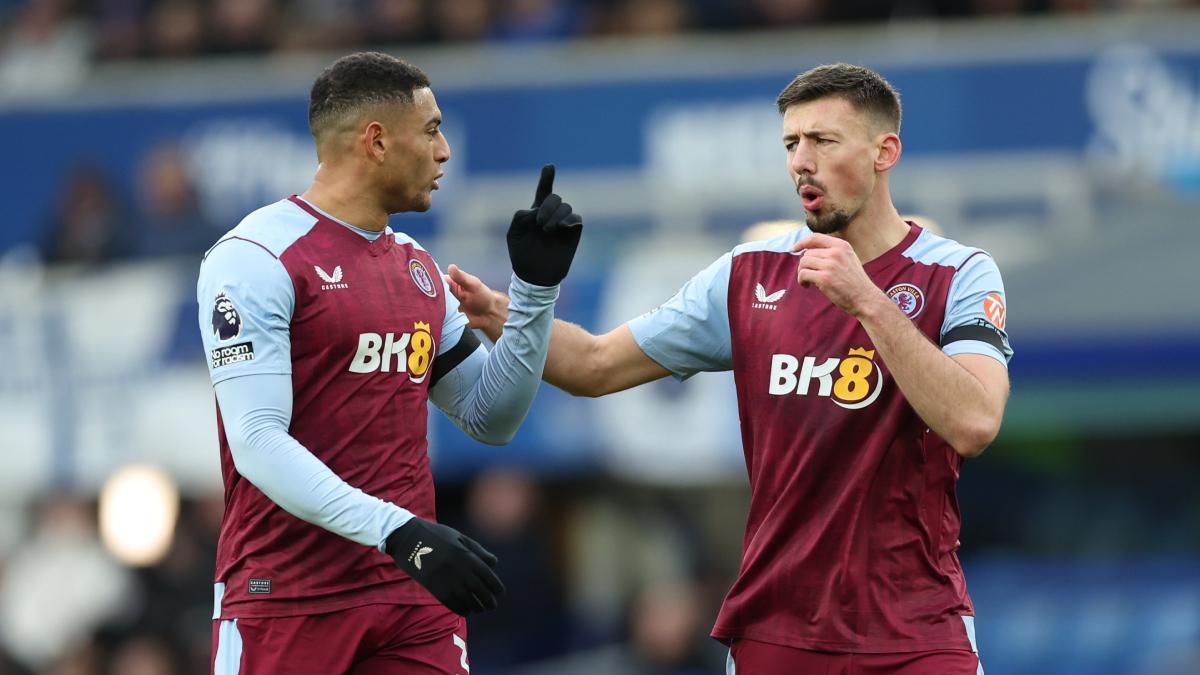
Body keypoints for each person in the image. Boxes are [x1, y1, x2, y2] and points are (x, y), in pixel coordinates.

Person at [448, 63, 1011, 674]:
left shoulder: (958, 273)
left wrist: (868, 300)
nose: (802, 161)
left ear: (885, 151)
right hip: (778, 629)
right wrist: (510, 307)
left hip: (916, 630)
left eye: (823, 141)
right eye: (792, 144)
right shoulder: (750, 274)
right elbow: (595, 365)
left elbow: (975, 421)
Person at [195, 51, 583, 674]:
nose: (445, 152)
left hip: (412, 598)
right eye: (431, 130)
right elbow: (257, 441)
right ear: (376, 141)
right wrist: (398, 531)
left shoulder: (417, 269)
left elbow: (492, 417)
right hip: (288, 599)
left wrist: (534, 293)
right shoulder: (254, 258)